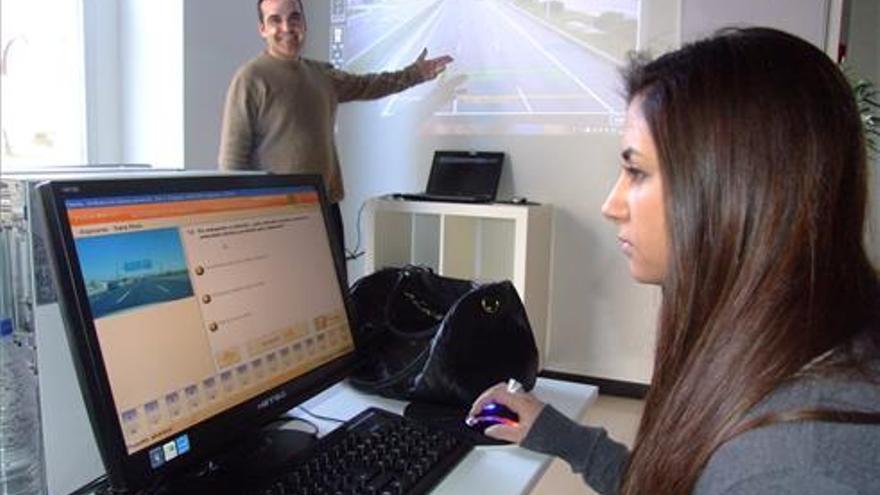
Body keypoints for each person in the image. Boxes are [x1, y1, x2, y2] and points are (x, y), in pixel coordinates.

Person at [468, 27, 880, 494]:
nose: (612, 204)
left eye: (636, 171)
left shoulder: (791, 466)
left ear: (735, 188)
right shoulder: (786, 351)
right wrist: (566, 438)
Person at [219, 0, 453, 281]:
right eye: (275, 20)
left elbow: (370, 85)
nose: (286, 28)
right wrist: (240, 225)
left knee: (331, 295)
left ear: (304, 24)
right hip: (277, 216)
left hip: (325, 208)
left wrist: (415, 74)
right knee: (286, 298)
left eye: (294, 18)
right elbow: (232, 160)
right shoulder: (250, 78)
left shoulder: (321, 74)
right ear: (262, 29)